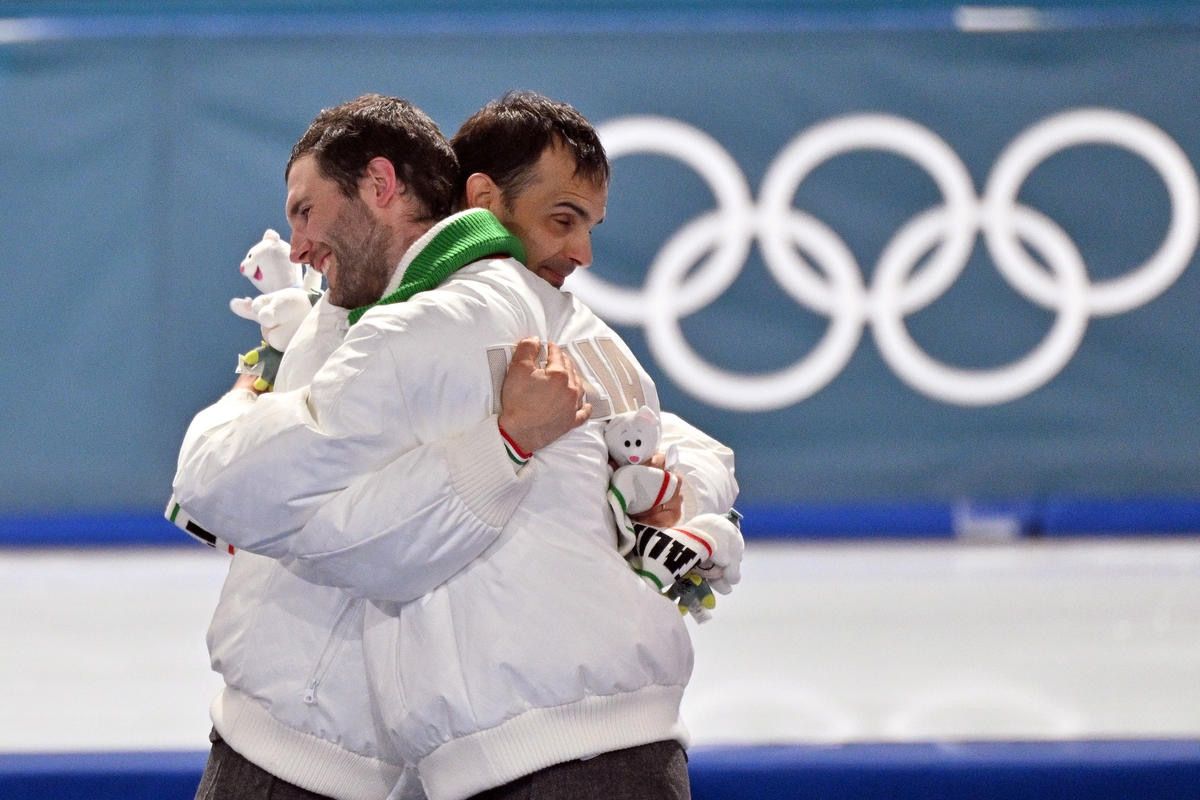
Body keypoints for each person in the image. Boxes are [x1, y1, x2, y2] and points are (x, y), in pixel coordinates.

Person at [172, 92, 739, 800]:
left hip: (441, 755)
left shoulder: (447, 319)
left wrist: (243, 406)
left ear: (380, 183)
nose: (297, 246)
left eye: (306, 211)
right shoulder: (527, 322)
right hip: (505, 750)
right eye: (563, 219)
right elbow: (691, 449)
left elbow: (221, 486)